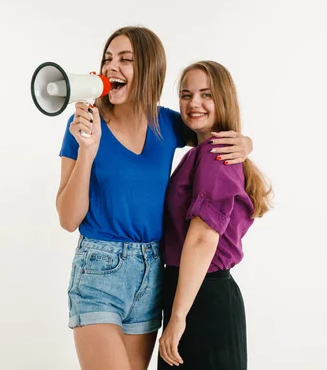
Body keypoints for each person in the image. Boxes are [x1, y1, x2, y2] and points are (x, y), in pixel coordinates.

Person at [57, 27, 254, 370]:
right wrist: (87, 151)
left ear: (149, 69)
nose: (111, 67)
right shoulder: (85, 126)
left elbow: (206, 127)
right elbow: (67, 219)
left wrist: (246, 142)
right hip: (99, 269)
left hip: (152, 276)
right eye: (107, 58)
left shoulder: (164, 123)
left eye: (126, 60)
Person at [158, 61, 272, 369]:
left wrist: (179, 316)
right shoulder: (206, 151)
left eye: (205, 94)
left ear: (223, 99)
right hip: (196, 292)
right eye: (186, 94)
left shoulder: (215, 153)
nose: (194, 103)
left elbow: (202, 239)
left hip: (201, 298)